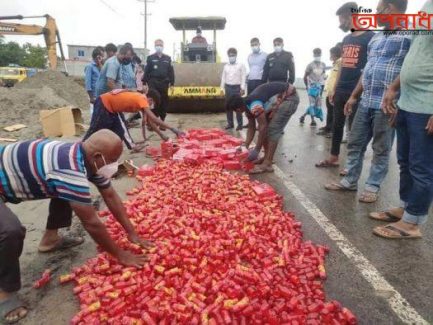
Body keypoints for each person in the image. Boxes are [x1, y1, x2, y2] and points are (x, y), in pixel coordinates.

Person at [0, 130, 151, 323]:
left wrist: (132, 233)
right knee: (10, 231)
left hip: (12, 174)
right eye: (113, 159)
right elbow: (91, 223)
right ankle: (5, 291)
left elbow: (110, 195)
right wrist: (121, 255)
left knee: (69, 193)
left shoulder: (87, 159)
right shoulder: (69, 168)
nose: (115, 164)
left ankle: (50, 240)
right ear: (98, 156)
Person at [325, 0, 411, 204]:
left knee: (381, 148)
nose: (375, 13)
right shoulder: (377, 38)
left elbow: (412, 68)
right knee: (355, 142)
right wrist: (354, 96)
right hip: (366, 100)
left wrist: (396, 91)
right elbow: (368, 70)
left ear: (390, 9)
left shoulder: (411, 34)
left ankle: (372, 186)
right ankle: (350, 181)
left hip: (387, 104)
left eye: (378, 9)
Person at [371, 0, 433, 239]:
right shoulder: (426, 8)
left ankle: (412, 222)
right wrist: (394, 88)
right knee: (405, 161)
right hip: (408, 101)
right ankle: (406, 207)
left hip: (427, 104)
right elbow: (416, 55)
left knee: (422, 166)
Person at [316, 2, 375, 168]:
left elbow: (369, 68)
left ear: (351, 17)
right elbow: (342, 65)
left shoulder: (370, 37)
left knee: (354, 130)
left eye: (342, 19)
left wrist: (356, 94)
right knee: (337, 125)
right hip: (341, 89)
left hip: (356, 91)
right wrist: (335, 88)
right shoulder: (346, 38)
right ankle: (333, 157)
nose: (340, 23)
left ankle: (351, 166)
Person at [227, 82, 299, 174]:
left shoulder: (254, 105)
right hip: (279, 99)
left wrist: (257, 149)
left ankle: (267, 164)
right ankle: (266, 158)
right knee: (264, 129)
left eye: (235, 111)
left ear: (237, 109)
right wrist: (245, 145)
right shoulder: (247, 106)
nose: (236, 112)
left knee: (272, 130)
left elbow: (263, 127)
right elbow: (251, 128)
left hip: (289, 98)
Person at [84, 90, 183, 151]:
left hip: (114, 108)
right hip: (103, 103)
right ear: (150, 99)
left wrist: (162, 136)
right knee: (95, 128)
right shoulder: (142, 99)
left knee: (121, 129)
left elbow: (150, 122)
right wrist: (173, 129)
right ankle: (80, 147)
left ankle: (132, 146)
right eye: (152, 103)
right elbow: (153, 118)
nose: (151, 106)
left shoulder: (141, 101)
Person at [143, 39, 175, 127]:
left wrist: (172, 84)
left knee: (164, 101)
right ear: (154, 46)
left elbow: (171, 72)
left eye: (160, 45)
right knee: (154, 102)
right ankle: (152, 121)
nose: (159, 47)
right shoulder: (150, 58)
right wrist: (144, 82)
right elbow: (146, 71)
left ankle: (162, 121)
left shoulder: (167, 58)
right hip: (153, 82)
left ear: (163, 46)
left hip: (164, 83)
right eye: (157, 45)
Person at [317, 46, 342, 136]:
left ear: (335, 54)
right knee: (330, 111)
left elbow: (338, 78)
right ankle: (328, 127)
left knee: (333, 112)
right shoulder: (335, 63)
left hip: (334, 92)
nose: (330, 55)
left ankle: (331, 130)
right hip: (330, 92)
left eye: (331, 54)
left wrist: (334, 90)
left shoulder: (340, 63)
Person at [220, 48, 247, 131]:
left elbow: (243, 77)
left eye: (233, 55)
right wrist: (221, 88)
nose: (231, 57)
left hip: (237, 88)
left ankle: (240, 124)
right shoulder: (226, 66)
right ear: (228, 56)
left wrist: (242, 88)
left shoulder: (241, 65)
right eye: (230, 55)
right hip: (228, 87)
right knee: (228, 106)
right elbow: (223, 78)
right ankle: (230, 123)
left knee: (238, 107)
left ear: (236, 55)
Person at [300, 48, 327, 126]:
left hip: (319, 88)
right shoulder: (310, 65)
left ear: (321, 54)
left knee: (317, 105)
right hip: (311, 88)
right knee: (312, 104)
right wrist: (307, 87)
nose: (317, 55)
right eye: (315, 54)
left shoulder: (323, 65)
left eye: (318, 54)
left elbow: (323, 75)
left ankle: (303, 116)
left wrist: (324, 82)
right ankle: (312, 120)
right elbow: (305, 77)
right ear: (313, 54)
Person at [84, 48, 104, 115]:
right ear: (97, 56)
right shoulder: (90, 67)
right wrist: (91, 97)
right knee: (93, 113)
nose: (103, 58)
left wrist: (100, 64)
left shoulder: (100, 66)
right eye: (102, 56)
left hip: (100, 94)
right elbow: (87, 82)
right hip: (93, 94)